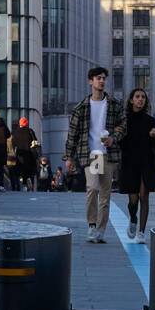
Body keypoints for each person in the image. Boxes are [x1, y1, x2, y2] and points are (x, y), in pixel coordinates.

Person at [63, 66, 125, 244]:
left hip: (108, 154)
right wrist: (69, 157)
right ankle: (91, 224)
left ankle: (100, 230)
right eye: (98, 78)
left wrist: (114, 138)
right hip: (92, 154)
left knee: (105, 194)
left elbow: (123, 125)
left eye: (104, 78)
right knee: (93, 188)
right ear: (91, 81)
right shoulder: (82, 107)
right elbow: (72, 134)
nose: (102, 81)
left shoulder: (113, 104)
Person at [118, 88, 155, 243]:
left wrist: (154, 136)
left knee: (144, 196)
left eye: (143, 97)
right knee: (133, 200)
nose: (140, 99)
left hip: (147, 163)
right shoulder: (125, 120)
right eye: (137, 97)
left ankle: (141, 233)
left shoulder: (150, 121)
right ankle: (133, 218)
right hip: (130, 163)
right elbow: (121, 143)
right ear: (131, 100)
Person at [12, 117, 40, 191]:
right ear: (27, 123)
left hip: (20, 154)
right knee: (30, 169)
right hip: (30, 153)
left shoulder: (16, 132)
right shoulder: (30, 131)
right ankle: (30, 182)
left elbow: (13, 143)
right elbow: (35, 141)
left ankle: (23, 184)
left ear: (20, 123)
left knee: (20, 169)